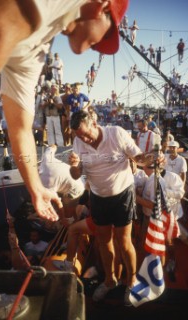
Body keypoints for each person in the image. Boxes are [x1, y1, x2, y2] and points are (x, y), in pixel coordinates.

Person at [0, 0, 129, 222]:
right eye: (106, 36)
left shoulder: (38, 47)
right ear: (103, 6)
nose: (98, 48)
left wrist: (35, 188)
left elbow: (20, 129)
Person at [69, 110, 163, 304]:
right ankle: (110, 280)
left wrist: (152, 159)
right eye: (80, 136)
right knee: (104, 241)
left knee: (124, 240)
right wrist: (74, 166)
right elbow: (76, 175)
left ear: (95, 124)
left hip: (122, 194)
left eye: (86, 134)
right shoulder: (78, 142)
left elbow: (139, 158)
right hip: (98, 197)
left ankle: (132, 280)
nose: (84, 139)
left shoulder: (116, 133)